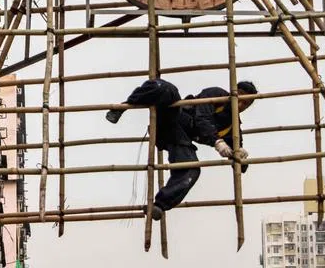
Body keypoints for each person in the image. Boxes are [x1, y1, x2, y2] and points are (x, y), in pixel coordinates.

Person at [106, 78, 257, 219]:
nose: (241, 105)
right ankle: (125, 105)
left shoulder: (233, 126)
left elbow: (236, 155)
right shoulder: (216, 95)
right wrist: (217, 141)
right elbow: (202, 118)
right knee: (166, 88)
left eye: (246, 103)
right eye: (241, 98)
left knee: (191, 170)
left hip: (178, 138)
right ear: (233, 93)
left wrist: (240, 156)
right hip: (172, 117)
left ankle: (159, 205)